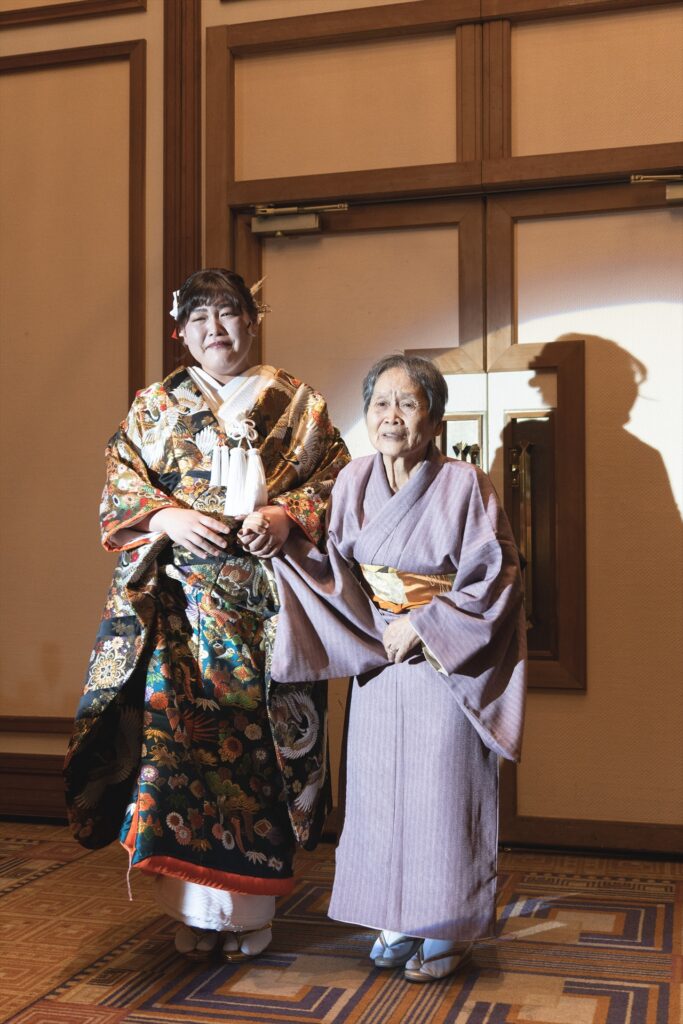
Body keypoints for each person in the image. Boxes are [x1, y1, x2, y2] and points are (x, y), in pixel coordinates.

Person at [64, 268, 349, 961]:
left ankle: (250, 913)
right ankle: (191, 910)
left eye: (228, 313)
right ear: (179, 332)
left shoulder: (298, 404)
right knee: (177, 755)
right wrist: (167, 517)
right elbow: (120, 483)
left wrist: (285, 517)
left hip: (269, 613)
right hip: (179, 615)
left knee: (260, 759)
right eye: (199, 318)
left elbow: (337, 480)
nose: (215, 329)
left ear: (253, 320)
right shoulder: (155, 405)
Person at [258, 354, 526, 983]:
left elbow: (497, 576)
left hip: (442, 660)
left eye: (408, 403)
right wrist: (286, 544)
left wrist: (426, 625)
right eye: (381, 403)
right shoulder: (353, 479)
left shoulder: (466, 484)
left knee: (442, 792)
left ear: (434, 419)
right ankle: (395, 916)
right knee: (379, 793)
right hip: (380, 655)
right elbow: (332, 566)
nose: (392, 416)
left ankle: (447, 925)